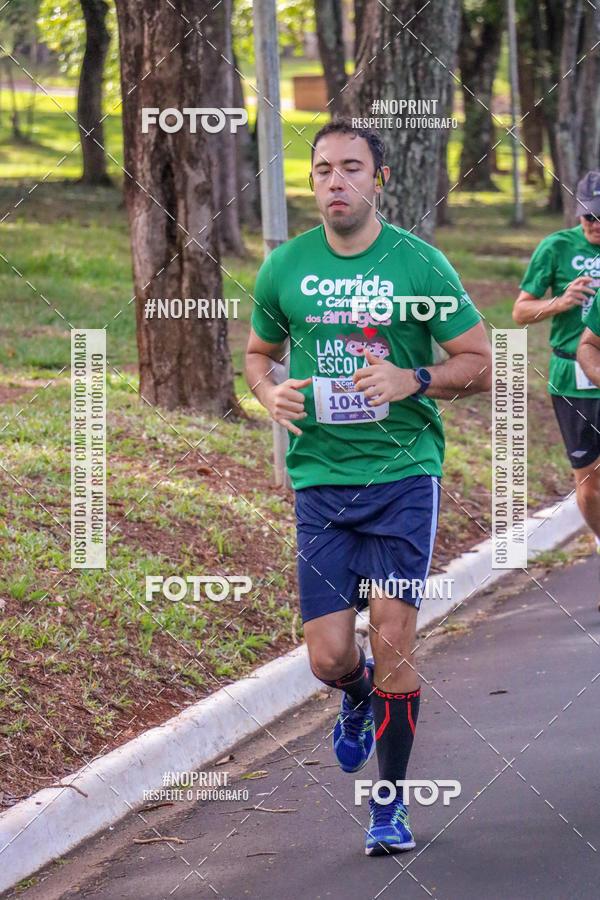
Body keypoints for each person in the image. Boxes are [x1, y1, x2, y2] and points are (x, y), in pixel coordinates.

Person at [244, 119, 491, 856]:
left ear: (379, 179)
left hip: (402, 479)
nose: (336, 182)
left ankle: (389, 805)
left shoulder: (419, 266)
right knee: (328, 656)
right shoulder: (283, 268)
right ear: (311, 180)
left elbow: (477, 362)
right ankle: (355, 696)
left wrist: (411, 378)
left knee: (394, 636)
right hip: (320, 483)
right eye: (322, 170)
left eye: (352, 168)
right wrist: (269, 395)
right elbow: (259, 356)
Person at [513, 171, 600, 572]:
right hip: (573, 377)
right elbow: (520, 311)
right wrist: (561, 303)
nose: (596, 225)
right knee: (590, 485)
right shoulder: (556, 247)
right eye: (590, 217)